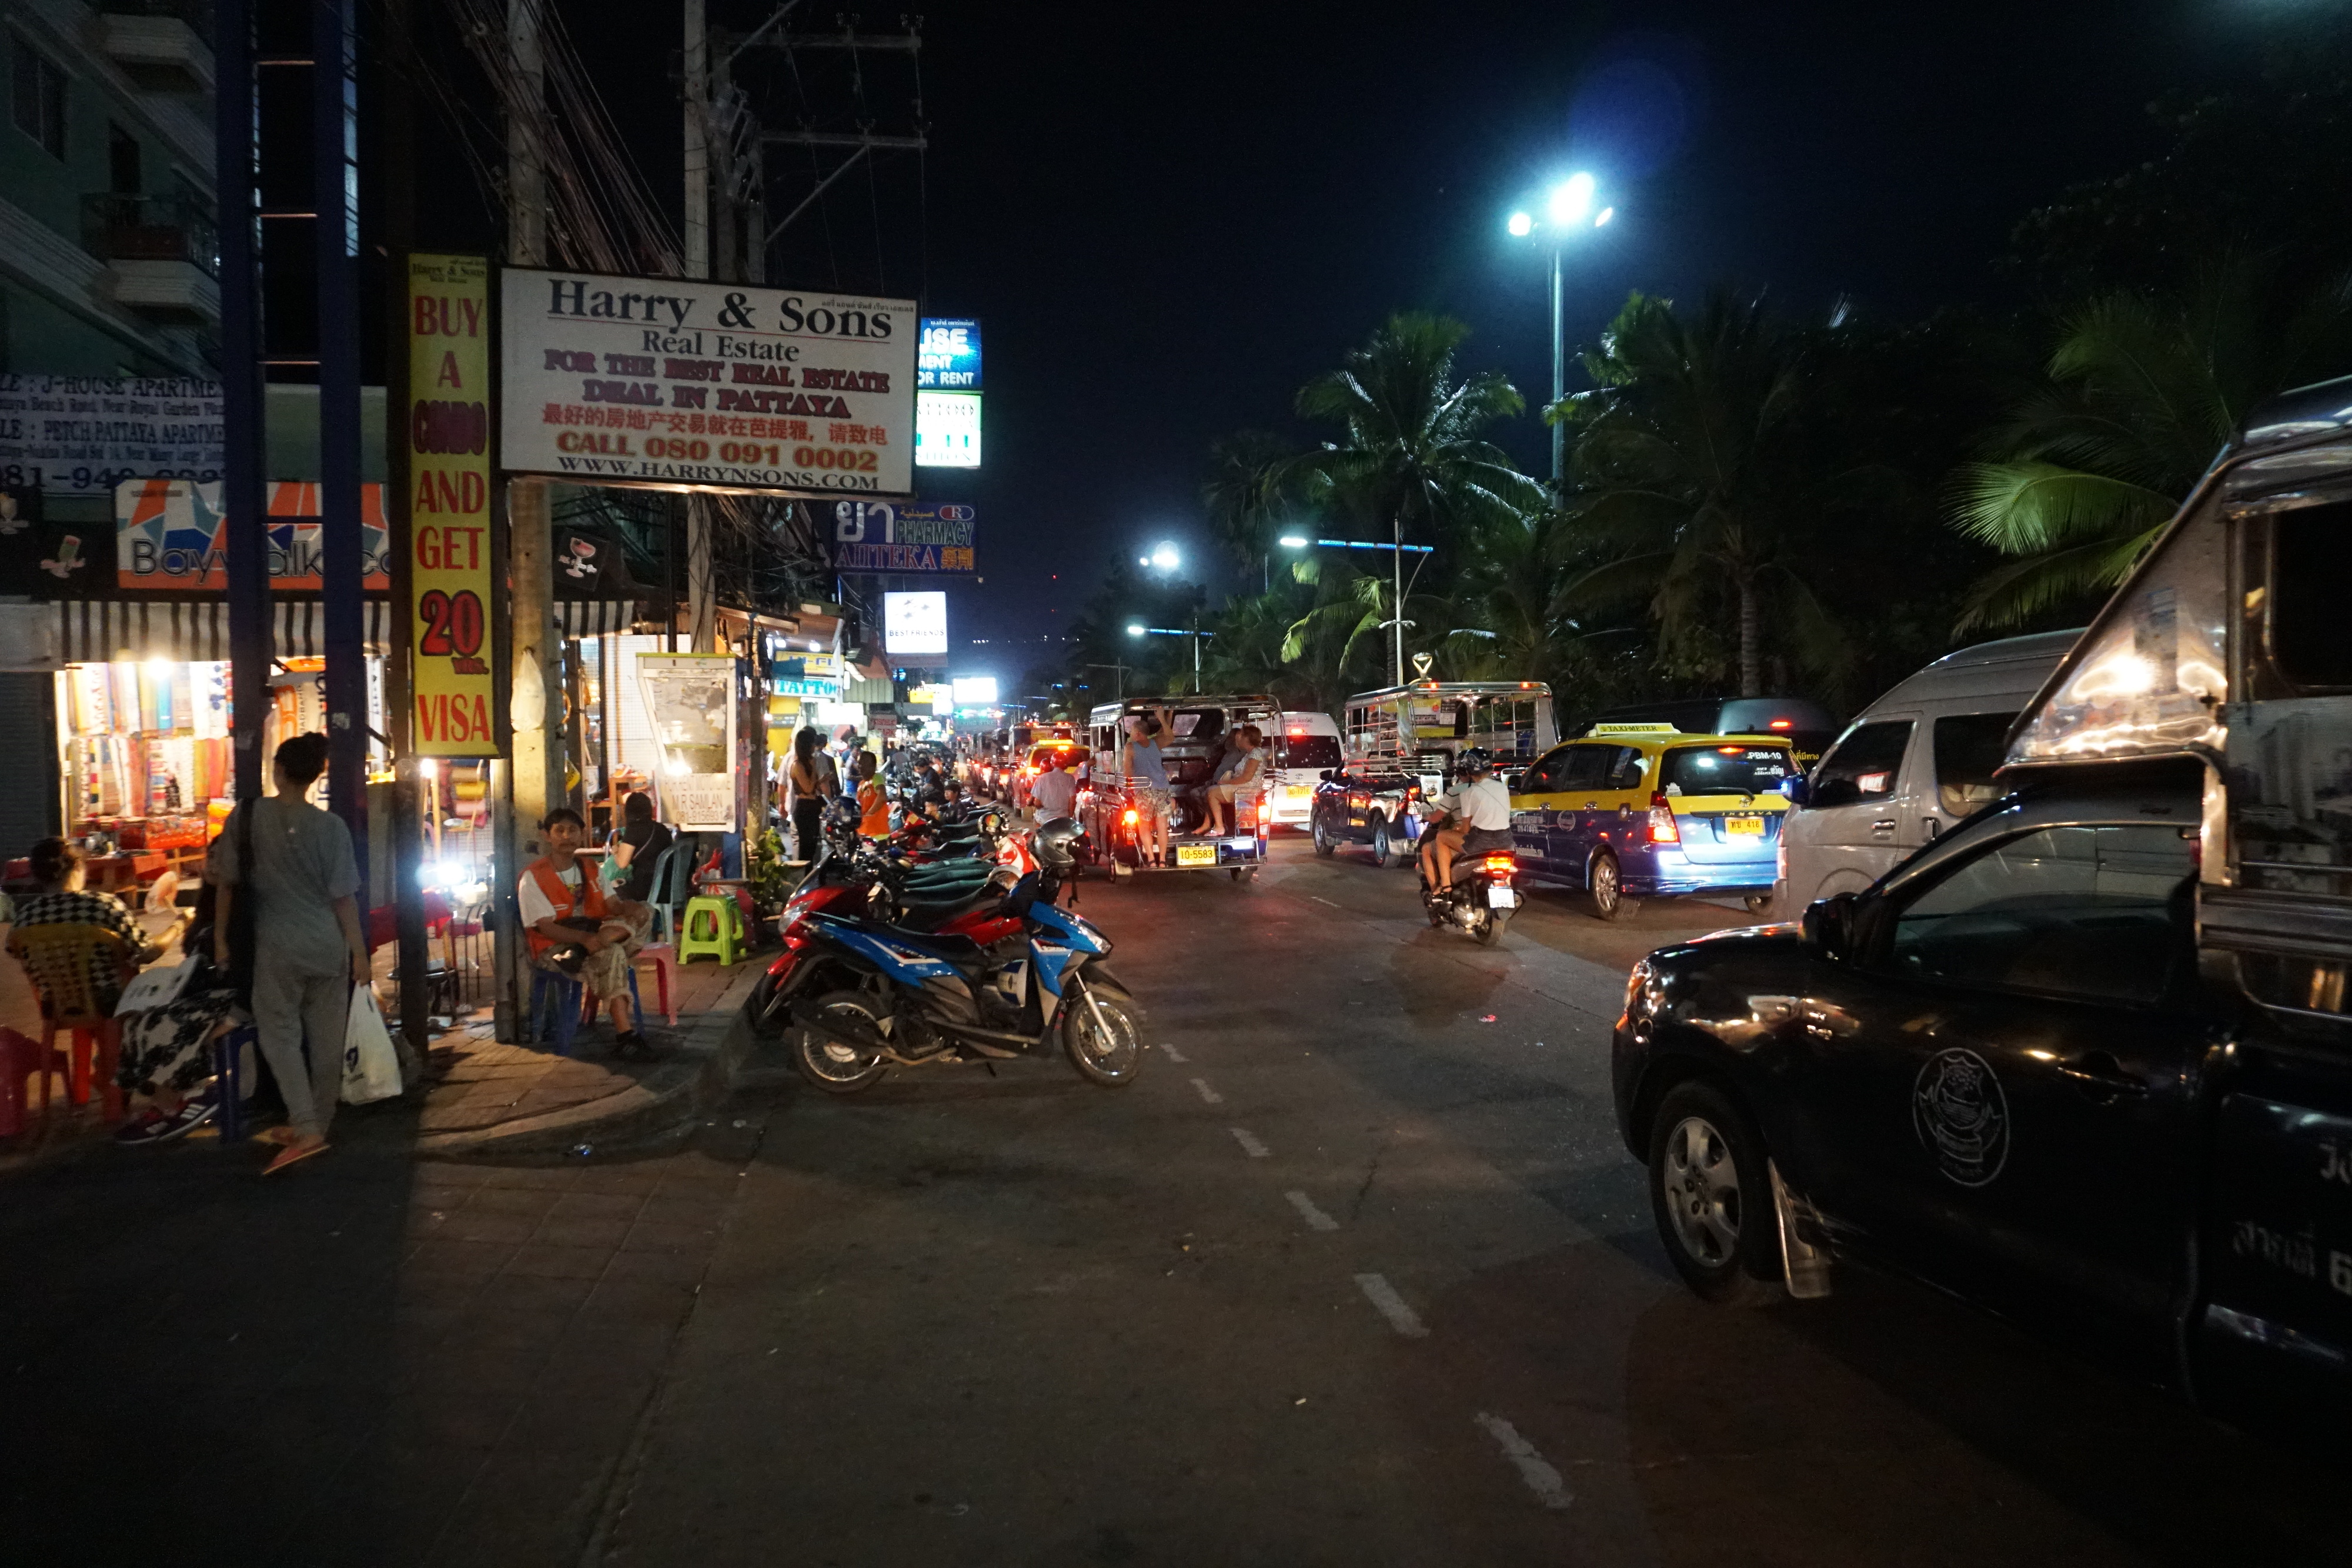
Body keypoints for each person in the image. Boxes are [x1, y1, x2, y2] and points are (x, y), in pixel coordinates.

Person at [208, 734, 369, 1175]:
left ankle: (304, 1124)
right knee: (326, 1039)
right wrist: (360, 954)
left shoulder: (245, 817)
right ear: (318, 774)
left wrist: (221, 939)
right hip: (328, 944)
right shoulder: (331, 827)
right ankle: (320, 1121)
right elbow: (344, 899)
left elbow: (224, 883)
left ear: (277, 769)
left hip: (277, 945)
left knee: (278, 1033)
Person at [519, 806, 657, 1059]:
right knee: (613, 952)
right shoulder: (534, 877)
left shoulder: (591, 869)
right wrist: (584, 939)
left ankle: (596, 946)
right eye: (559, 830)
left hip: (593, 938)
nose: (566, 836)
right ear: (547, 836)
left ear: (582, 835)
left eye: (572, 830)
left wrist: (631, 908)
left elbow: (614, 906)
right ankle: (626, 1036)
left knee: (647, 911)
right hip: (556, 949)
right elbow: (546, 927)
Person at [1418, 747, 1516, 892]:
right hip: (1507, 842)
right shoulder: (1502, 788)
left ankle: (1445, 886)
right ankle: (1506, 887)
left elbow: (1465, 830)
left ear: (1468, 771)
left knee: (1441, 837)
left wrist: (1457, 829)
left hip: (1480, 843)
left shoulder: (1469, 793)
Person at [1121, 706, 1174, 867]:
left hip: (1144, 791)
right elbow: (1170, 736)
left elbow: (1128, 773)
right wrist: (1163, 719)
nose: (1129, 733)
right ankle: (1163, 860)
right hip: (1162, 789)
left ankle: (1151, 859)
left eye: (1131, 730)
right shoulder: (1156, 743)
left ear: (1138, 734)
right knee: (1162, 825)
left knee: (1144, 826)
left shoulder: (1130, 747)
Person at [607, 789, 674, 905]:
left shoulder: (634, 830)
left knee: (609, 890)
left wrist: (615, 852)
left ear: (628, 811)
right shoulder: (662, 829)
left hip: (646, 890)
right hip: (670, 888)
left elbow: (622, 864)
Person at [786, 726, 838, 862]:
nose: (814, 747)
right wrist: (815, 767)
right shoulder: (798, 765)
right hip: (804, 808)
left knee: (812, 846)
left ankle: (809, 877)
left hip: (812, 806)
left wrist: (823, 780)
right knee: (806, 848)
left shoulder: (806, 764)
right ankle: (804, 879)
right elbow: (808, 788)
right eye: (812, 744)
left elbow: (812, 785)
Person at [1202, 725, 1265, 836]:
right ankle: (1210, 824)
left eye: (1240, 735)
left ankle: (1219, 827)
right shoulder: (1250, 753)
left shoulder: (1255, 754)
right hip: (1243, 785)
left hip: (1247, 788)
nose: (1238, 737)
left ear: (1246, 738)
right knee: (1210, 790)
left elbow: (1247, 778)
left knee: (1212, 793)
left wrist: (1225, 783)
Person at [1030, 751, 1078, 821]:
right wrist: (1070, 818)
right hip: (1063, 818)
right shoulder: (1070, 779)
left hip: (1044, 818)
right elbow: (1073, 802)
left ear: (1052, 763)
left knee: (1036, 821)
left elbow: (1037, 803)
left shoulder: (1042, 778)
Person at [855, 750, 892, 840]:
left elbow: (882, 797)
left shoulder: (877, 777)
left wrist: (869, 813)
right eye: (859, 763)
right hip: (864, 832)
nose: (860, 766)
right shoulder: (861, 784)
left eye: (864, 763)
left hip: (878, 833)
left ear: (873, 766)